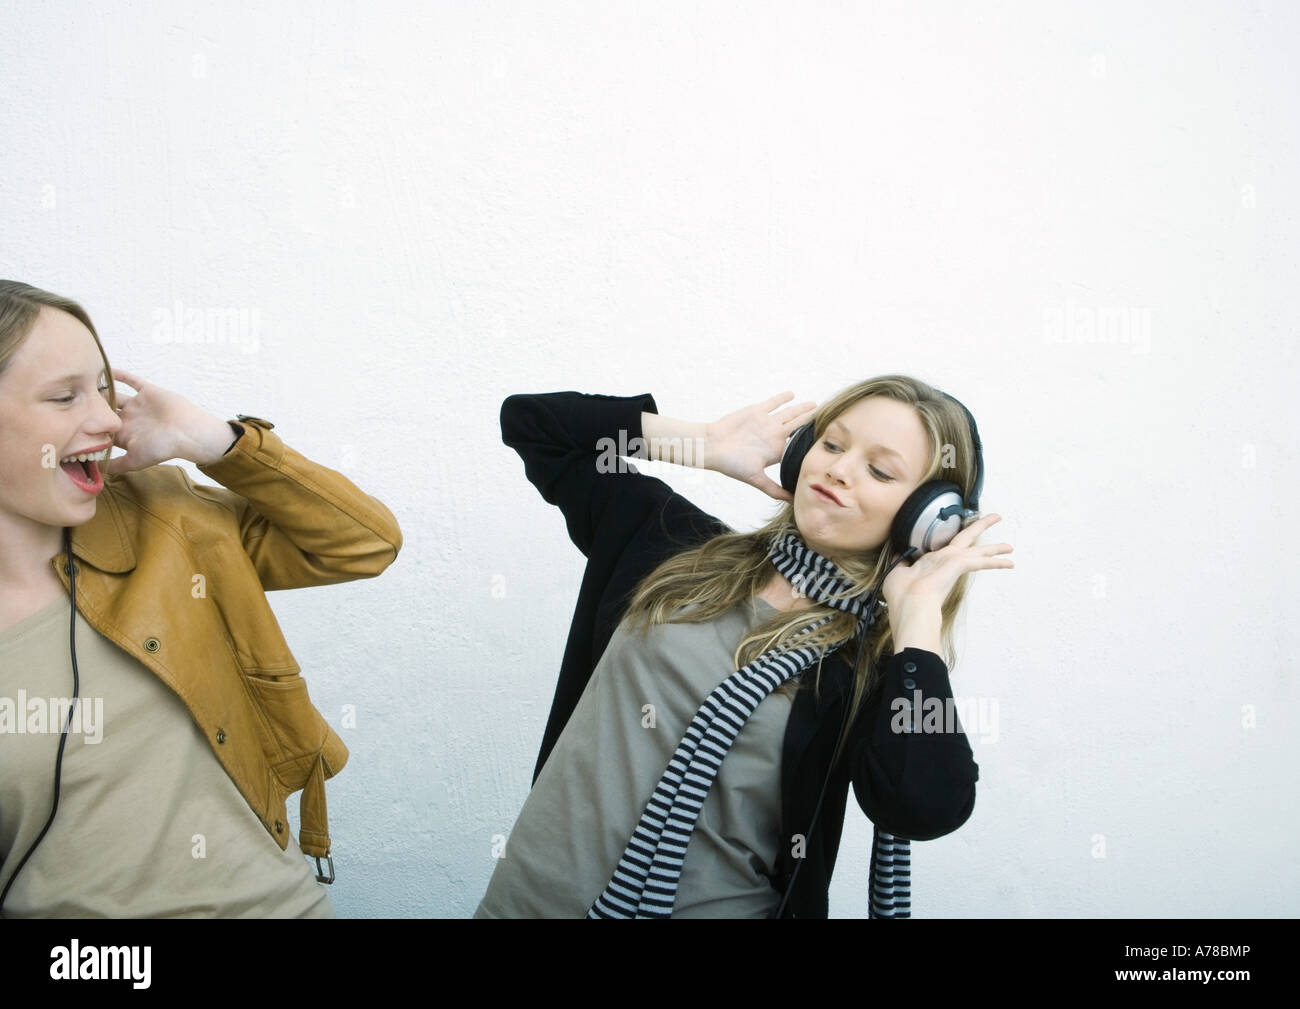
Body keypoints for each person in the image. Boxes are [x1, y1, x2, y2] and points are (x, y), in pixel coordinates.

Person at [475, 380, 1012, 918]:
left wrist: (917, 623)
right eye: (830, 444)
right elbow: (533, 425)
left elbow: (924, 806)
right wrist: (703, 444)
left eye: (879, 470)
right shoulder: (668, 544)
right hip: (524, 903)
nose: (839, 469)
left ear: (929, 521)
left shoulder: (876, 672)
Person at [0, 280, 403, 917]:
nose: (108, 418)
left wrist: (216, 441)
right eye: (63, 396)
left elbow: (364, 544)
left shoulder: (167, 517)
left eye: (103, 387)